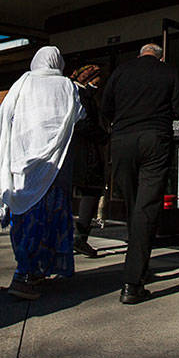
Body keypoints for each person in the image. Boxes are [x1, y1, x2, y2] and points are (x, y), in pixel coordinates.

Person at [0, 46, 84, 300]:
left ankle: (26, 270)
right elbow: (78, 116)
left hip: (22, 164)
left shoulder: (21, 83)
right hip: (55, 168)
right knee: (50, 219)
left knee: (24, 219)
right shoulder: (68, 86)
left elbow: (3, 120)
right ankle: (34, 271)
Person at [101, 42, 179, 304]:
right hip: (155, 139)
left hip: (123, 140)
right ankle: (133, 281)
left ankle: (137, 267)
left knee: (131, 204)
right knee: (146, 207)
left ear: (139, 54)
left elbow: (106, 108)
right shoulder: (168, 72)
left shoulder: (121, 72)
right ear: (160, 57)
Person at [68, 63, 108, 258]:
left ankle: (70, 236)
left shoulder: (69, 91)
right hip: (85, 150)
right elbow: (83, 123)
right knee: (90, 191)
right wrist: (103, 136)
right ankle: (80, 236)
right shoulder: (82, 96)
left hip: (71, 151)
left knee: (74, 190)